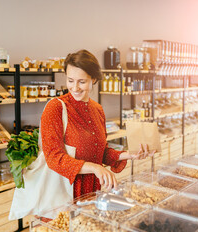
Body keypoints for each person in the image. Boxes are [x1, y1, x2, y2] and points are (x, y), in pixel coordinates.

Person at [40, 49, 155, 198]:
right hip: (64, 195)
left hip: (92, 193)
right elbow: (54, 158)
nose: (75, 88)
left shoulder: (97, 109)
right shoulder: (55, 107)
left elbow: (101, 152)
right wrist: (95, 168)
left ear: (93, 79)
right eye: (70, 80)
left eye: (82, 82)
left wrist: (130, 154)